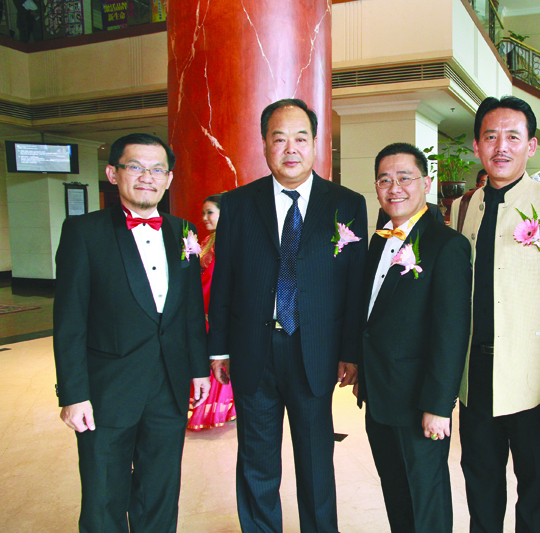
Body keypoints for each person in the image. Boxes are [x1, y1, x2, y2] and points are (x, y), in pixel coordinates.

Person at [207, 98, 368, 533]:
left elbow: (354, 286)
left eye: (300, 138)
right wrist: (218, 349)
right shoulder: (238, 203)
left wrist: (351, 351)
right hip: (252, 349)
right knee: (256, 461)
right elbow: (224, 279)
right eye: (279, 139)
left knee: (316, 463)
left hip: (314, 350)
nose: (290, 148)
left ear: (316, 143)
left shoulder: (347, 204)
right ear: (264, 144)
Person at [53, 133, 210, 533]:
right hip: (107, 387)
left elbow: (191, 310)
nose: (147, 177)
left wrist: (198, 370)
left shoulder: (184, 231)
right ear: (113, 173)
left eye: (157, 169)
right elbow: (69, 321)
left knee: (160, 489)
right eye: (135, 167)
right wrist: (73, 394)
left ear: (168, 179)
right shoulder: (82, 231)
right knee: (104, 492)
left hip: (169, 383)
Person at [451, 96, 540, 532]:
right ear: (477, 146)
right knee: (481, 487)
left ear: (531, 147)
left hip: (536, 383)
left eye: (513, 136)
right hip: (475, 378)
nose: (501, 147)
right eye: (491, 137)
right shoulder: (463, 207)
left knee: (535, 492)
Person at [359, 142, 472, 532]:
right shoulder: (378, 241)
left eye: (404, 177)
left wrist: (439, 405)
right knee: (396, 493)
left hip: (419, 400)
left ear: (425, 183)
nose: (395, 188)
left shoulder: (447, 245)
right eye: (384, 180)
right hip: (379, 395)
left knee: (426, 500)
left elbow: (451, 332)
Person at [187, 193, 237, 430]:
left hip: (216, 310)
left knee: (218, 361)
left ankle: (222, 409)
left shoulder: (229, 241)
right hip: (203, 309)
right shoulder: (208, 239)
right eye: (203, 213)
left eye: (210, 213)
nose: (205, 218)